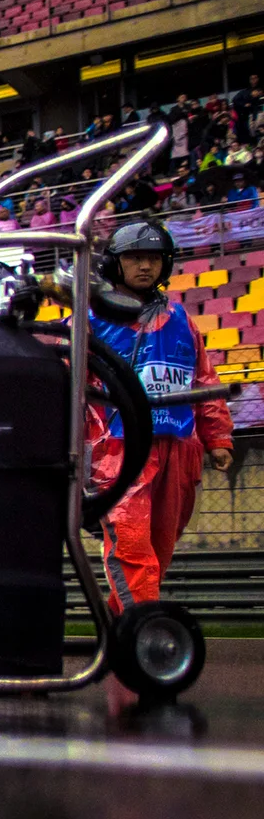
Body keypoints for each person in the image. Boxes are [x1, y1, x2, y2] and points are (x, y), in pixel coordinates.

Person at [90, 219, 234, 610]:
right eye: (135, 258)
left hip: (178, 446)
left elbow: (203, 380)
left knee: (159, 548)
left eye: (154, 259)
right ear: (116, 264)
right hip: (121, 450)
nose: (145, 266)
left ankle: (124, 626)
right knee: (132, 546)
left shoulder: (181, 318)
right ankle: (145, 630)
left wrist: (218, 438)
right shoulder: (90, 320)